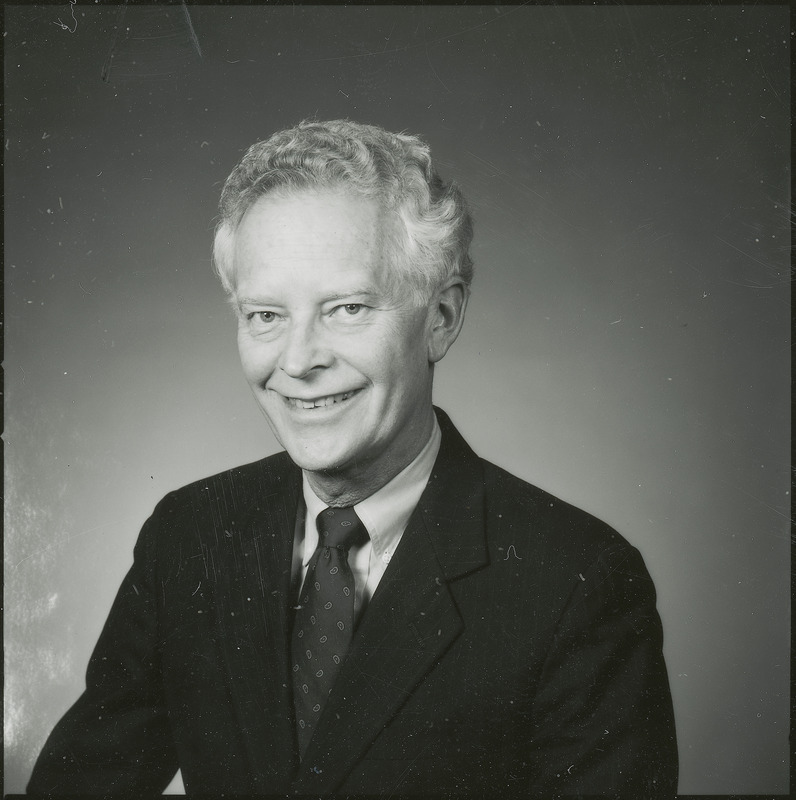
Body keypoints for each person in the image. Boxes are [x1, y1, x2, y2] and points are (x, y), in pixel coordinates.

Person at [28, 119, 677, 797]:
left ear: (441, 318)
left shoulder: (576, 580)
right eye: (265, 316)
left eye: (345, 308)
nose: (299, 360)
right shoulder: (189, 534)